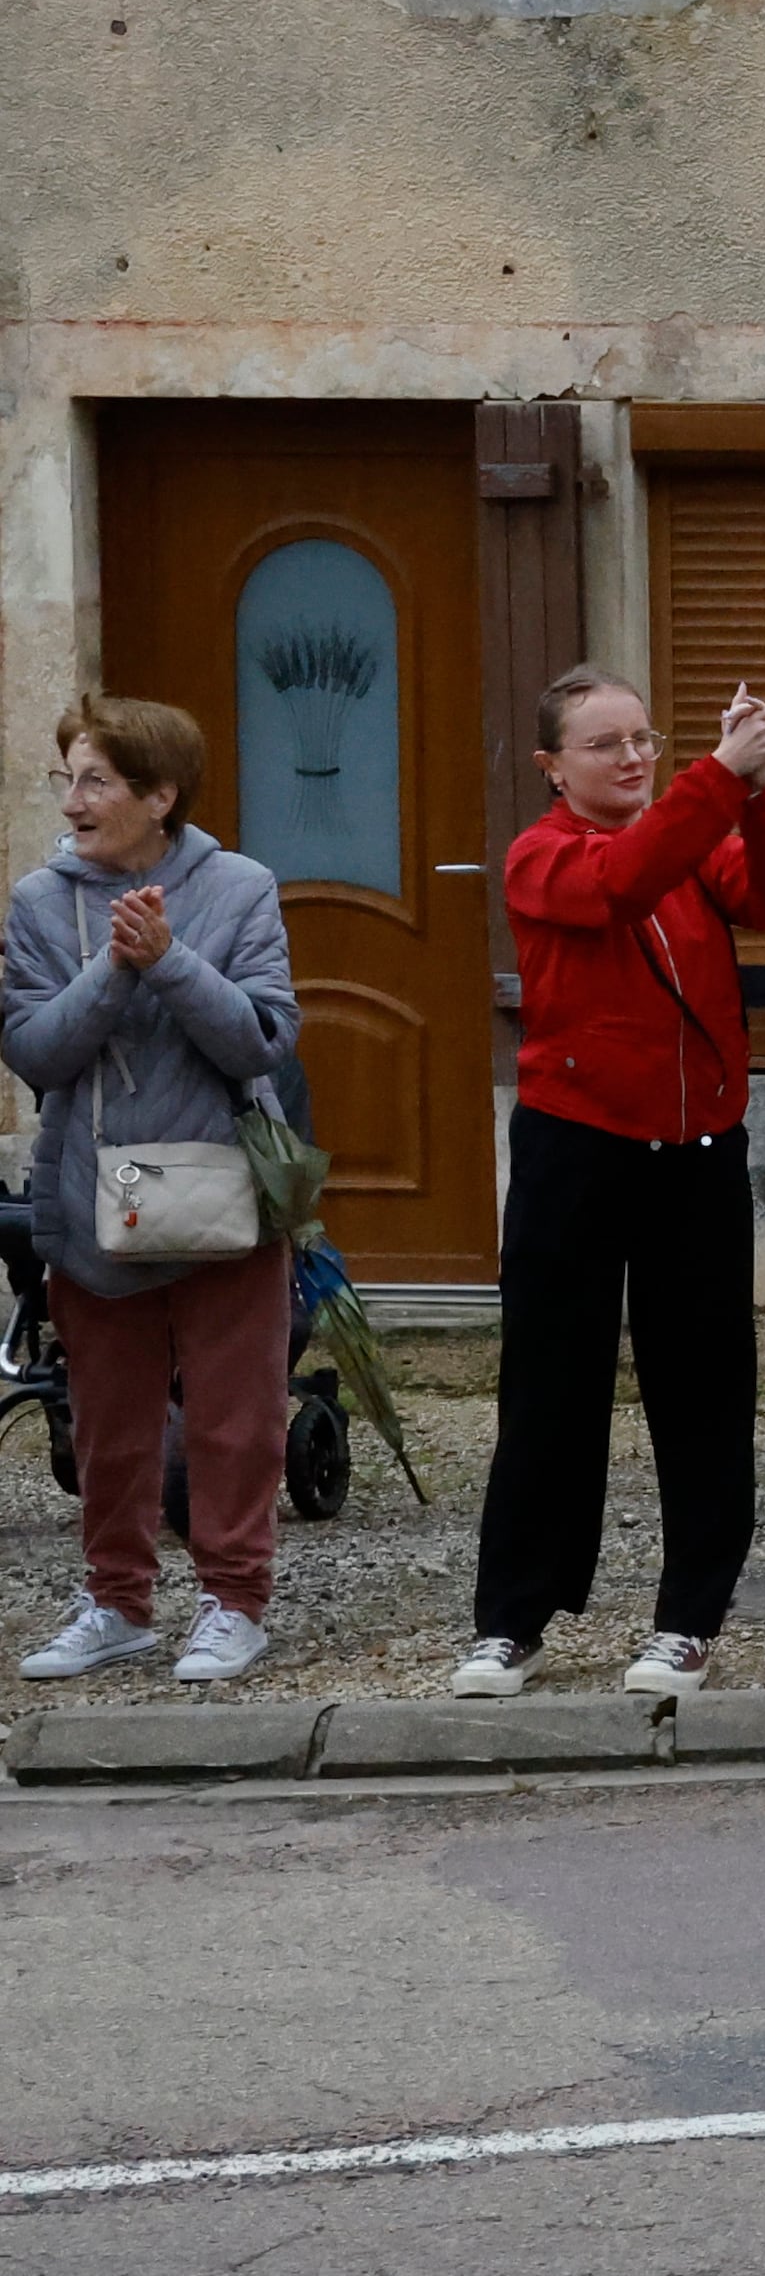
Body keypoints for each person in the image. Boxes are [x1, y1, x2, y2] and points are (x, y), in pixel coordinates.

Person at [453, 670, 765, 1700]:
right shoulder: (542, 853)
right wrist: (719, 777)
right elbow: (619, 880)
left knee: (705, 1388)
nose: (631, 758)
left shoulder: (694, 831)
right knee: (550, 1386)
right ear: (551, 767)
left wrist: (763, 785)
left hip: (697, 1148)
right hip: (575, 1145)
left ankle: (688, 1617)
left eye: (644, 739)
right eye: (604, 744)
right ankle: (511, 1619)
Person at [5, 697, 302, 1686]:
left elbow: (261, 1038)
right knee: (109, 1420)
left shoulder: (239, 887)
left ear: (159, 795)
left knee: (235, 1414)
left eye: (96, 780)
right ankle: (116, 1602)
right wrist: (114, 970)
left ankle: (232, 1601)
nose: (74, 801)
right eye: (68, 779)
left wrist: (170, 959)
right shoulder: (38, 902)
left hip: (218, 1185)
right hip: (92, 1193)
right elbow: (37, 1050)